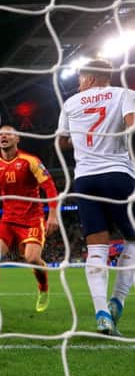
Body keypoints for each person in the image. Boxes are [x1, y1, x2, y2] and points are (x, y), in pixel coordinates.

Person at [58, 58, 135, 335]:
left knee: (97, 248)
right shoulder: (124, 94)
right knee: (133, 239)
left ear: (90, 79)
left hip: (84, 180)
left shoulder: (71, 103)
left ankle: (101, 313)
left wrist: (83, 136)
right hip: (118, 175)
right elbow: (132, 126)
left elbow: (61, 141)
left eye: (80, 78)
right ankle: (118, 300)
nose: (79, 83)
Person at [0, 125, 59, 316]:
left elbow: (50, 187)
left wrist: (53, 215)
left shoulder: (30, 161)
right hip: (8, 221)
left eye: (8, 134)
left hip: (32, 219)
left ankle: (43, 288)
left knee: (32, 258)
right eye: (0, 134)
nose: (3, 136)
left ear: (17, 138)